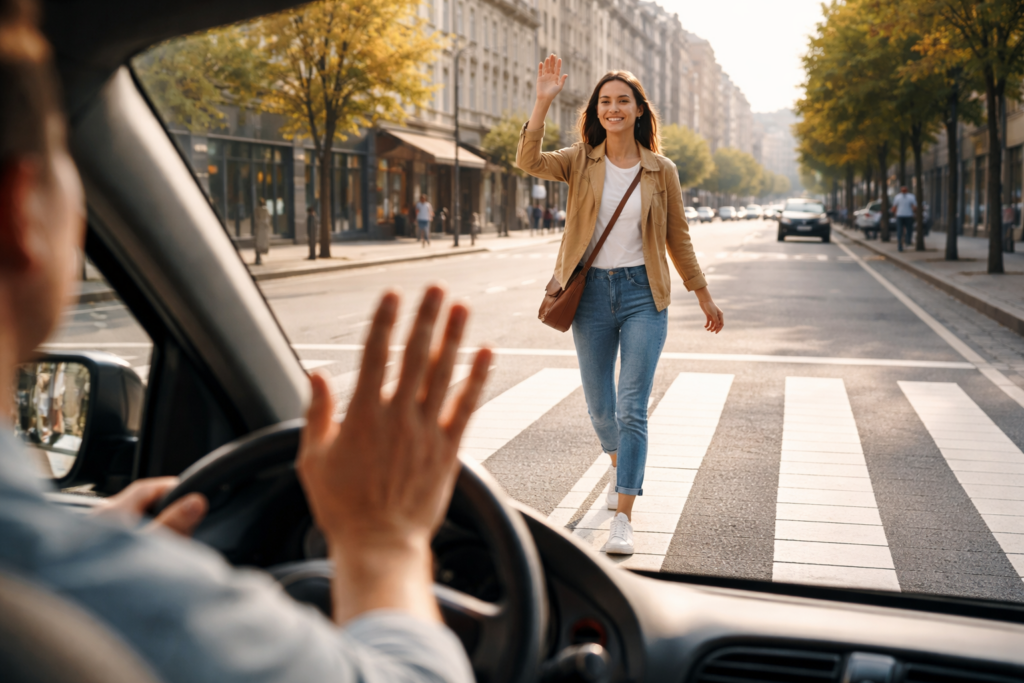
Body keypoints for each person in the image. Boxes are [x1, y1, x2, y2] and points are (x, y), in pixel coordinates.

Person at [0, 2, 489, 681]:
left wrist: (93, 542)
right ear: (19, 212)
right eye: (67, 156)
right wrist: (384, 542)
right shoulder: (106, 600)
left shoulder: (56, 574)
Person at [517, 55, 724, 556]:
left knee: (633, 407)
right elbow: (528, 161)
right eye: (605, 101)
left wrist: (703, 294)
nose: (613, 108)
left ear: (637, 111)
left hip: (642, 296)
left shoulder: (661, 170)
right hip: (588, 298)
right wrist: (543, 101)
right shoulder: (579, 160)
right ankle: (619, 465)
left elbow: (679, 237)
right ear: (597, 111)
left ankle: (624, 514)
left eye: (622, 101)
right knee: (600, 406)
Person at [890, 185, 917, 252]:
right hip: (903, 215)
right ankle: (903, 243)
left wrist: (894, 213)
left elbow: (894, 208)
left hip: (905, 215)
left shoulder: (906, 197)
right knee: (905, 230)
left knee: (903, 230)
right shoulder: (909, 196)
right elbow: (914, 207)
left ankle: (904, 243)